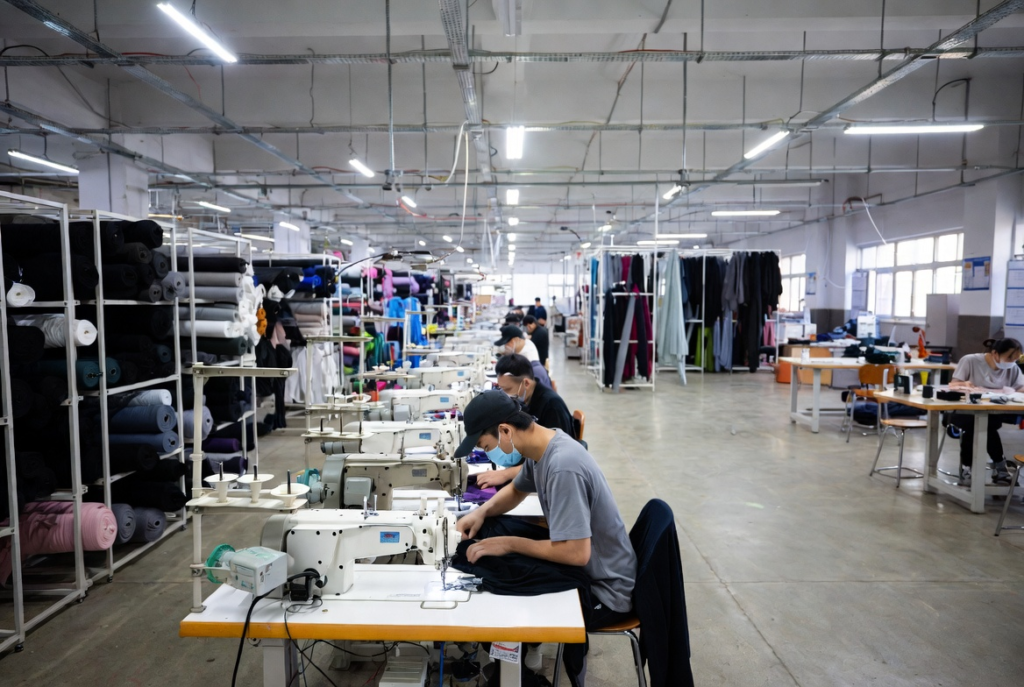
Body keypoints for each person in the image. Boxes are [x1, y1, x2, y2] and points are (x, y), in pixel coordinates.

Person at [454, 390, 637, 635]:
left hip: (605, 591)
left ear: (505, 430)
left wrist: (509, 544)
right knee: (494, 534)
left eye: (486, 446)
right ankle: (522, 654)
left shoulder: (563, 466)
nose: (488, 453)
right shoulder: (544, 445)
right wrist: (482, 512)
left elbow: (576, 554)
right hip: (590, 567)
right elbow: (517, 490)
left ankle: (520, 661)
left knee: (504, 586)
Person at [477, 354, 577, 488]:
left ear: (526, 383)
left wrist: (506, 474)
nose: (504, 395)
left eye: (507, 390)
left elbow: (552, 459)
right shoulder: (526, 400)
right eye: (501, 389)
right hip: (529, 467)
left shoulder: (552, 406)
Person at [947, 337, 1024, 486]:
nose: (1011, 362)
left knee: (984, 423)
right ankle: (1000, 467)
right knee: (978, 424)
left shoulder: (1012, 368)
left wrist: (1013, 391)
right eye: (1009, 357)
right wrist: (965, 385)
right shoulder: (970, 361)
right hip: (963, 412)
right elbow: (954, 385)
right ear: (995, 353)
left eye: (1015, 359)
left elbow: (1021, 387)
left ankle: (967, 467)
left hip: (993, 412)